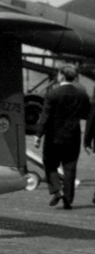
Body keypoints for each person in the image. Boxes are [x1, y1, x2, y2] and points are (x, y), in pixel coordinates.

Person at [35, 64, 90, 209]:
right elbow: (86, 114)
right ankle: (68, 198)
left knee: (49, 163)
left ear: (61, 75)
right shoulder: (82, 94)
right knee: (70, 168)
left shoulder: (53, 94)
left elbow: (45, 116)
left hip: (53, 136)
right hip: (73, 136)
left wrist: (38, 135)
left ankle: (56, 190)